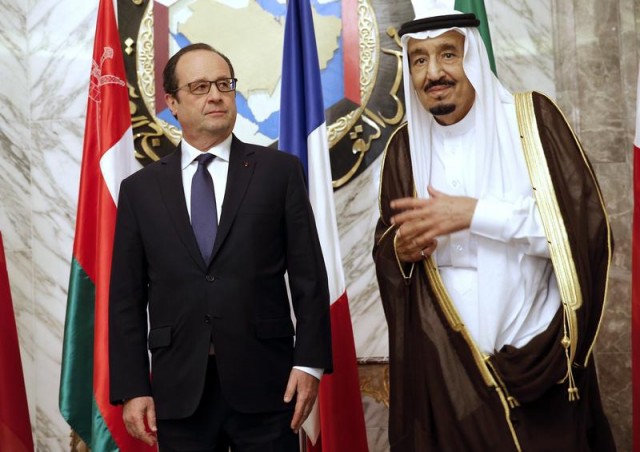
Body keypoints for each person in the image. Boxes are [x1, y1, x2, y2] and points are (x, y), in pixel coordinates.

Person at [372, 4, 616, 451]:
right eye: (419, 60)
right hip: (451, 375)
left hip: (540, 361)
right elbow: (387, 248)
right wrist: (401, 250)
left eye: (448, 54)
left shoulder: (532, 122)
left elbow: (581, 232)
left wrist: (475, 214)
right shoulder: (403, 149)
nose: (433, 73)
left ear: (474, 58)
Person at [109, 42, 332, 451]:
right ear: (172, 103)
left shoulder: (279, 172)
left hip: (268, 385)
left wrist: (309, 363)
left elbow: (309, 276)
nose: (215, 95)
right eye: (199, 87)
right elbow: (125, 298)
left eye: (224, 84)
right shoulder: (140, 191)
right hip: (178, 390)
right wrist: (132, 387)